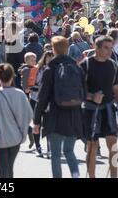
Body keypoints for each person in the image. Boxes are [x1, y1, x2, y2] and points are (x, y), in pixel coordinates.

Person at [33, 37, 85, 178]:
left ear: (53, 49)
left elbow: (42, 98)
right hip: (74, 116)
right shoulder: (76, 67)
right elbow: (83, 93)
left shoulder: (50, 69)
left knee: (56, 155)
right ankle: (75, 176)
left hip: (54, 116)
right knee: (69, 152)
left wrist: (36, 121)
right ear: (67, 48)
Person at [80, 36, 118, 178]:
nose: (110, 51)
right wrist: (92, 97)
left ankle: (114, 176)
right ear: (96, 48)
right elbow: (77, 91)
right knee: (92, 147)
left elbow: (116, 88)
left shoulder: (113, 65)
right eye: (106, 48)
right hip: (89, 110)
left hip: (109, 110)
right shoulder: (85, 65)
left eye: (111, 48)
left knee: (113, 145)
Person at [0, 63, 33, 178]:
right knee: (10, 167)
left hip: (0, 138)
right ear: (12, 76)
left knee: (3, 169)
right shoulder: (20, 94)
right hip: (16, 137)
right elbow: (29, 115)